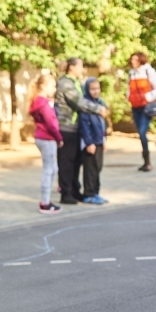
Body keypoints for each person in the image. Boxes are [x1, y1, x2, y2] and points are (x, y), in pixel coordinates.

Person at [56, 58, 108, 204]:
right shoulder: (66, 83)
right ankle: (66, 193)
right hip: (66, 127)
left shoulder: (75, 83)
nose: (82, 69)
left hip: (75, 128)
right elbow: (78, 102)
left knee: (75, 162)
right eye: (80, 66)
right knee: (67, 162)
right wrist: (98, 109)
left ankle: (74, 190)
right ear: (71, 67)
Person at [28, 73, 63, 214]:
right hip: (47, 138)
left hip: (44, 137)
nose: (54, 89)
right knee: (49, 170)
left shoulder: (39, 102)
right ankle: (45, 203)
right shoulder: (43, 104)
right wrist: (59, 138)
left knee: (53, 168)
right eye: (52, 86)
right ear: (43, 86)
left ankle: (47, 200)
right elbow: (51, 124)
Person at [127, 52, 156, 172]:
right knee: (140, 133)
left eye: (136, 59)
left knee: (142, 132)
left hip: (146, 107)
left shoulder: (148, 71)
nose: (133, 62)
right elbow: (129, 88)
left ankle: (147, 162)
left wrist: (148, 96)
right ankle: (145, 162)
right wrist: (129, 97)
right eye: (132, 59)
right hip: (135, 106)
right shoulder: (131, 73)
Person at [79, 78, 109, 204]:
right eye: (92, 89)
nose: (96, 91)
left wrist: (104, 139)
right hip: (91, 142)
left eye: (97, 88)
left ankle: (96, 192)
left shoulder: (100, 104)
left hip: (99, 140)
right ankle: (89, 193)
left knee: (98, 167)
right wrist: (89, 142)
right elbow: (84, 126)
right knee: (90, 169)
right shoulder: (86, 106)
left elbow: (103, 125)